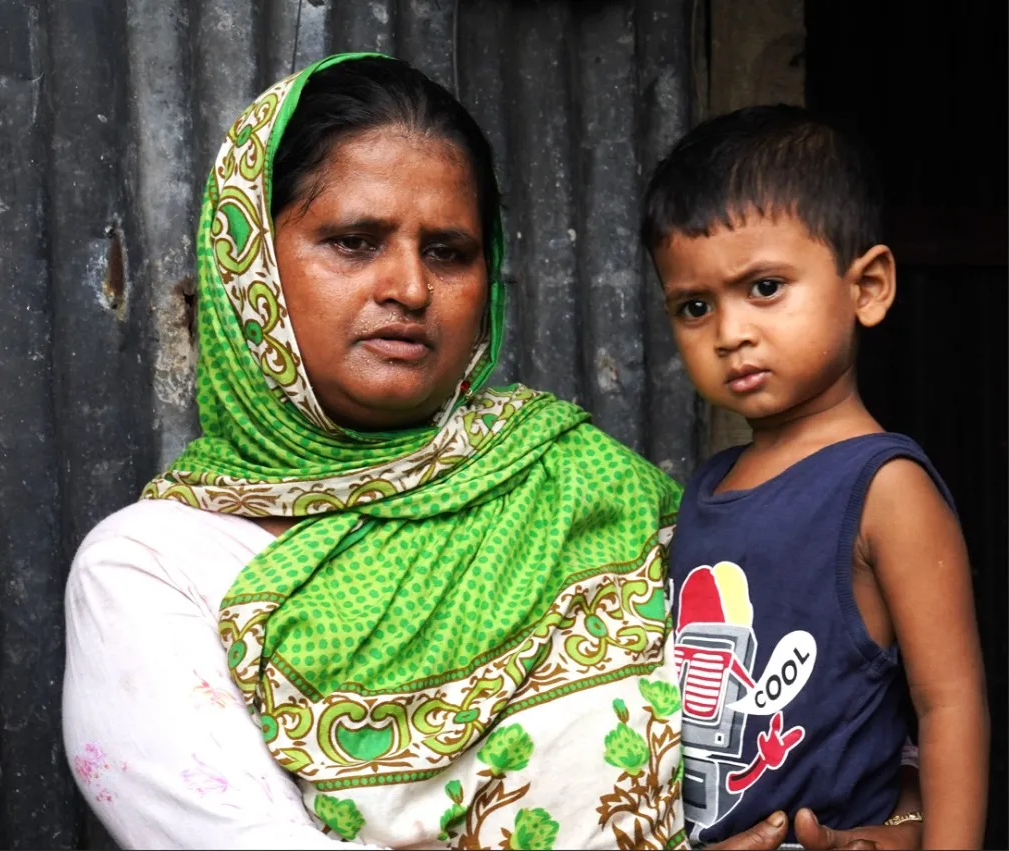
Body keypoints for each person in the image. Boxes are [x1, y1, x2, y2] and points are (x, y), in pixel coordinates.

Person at [62, 53, 927, 850]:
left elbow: (832, 702)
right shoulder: (155, 568)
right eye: (354, 242)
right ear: (245, 264)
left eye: (449, 252)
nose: (407, 287)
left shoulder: (576, 478)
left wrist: (895, 822)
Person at [642, 105, 990, 849]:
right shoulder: (708, 488)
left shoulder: (885, 487)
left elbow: (951, 704)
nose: (730, 332)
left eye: (764, 287)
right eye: (695, 306)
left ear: (867, 288)